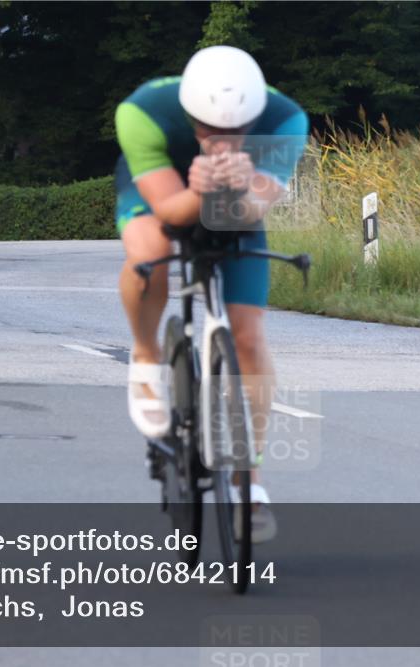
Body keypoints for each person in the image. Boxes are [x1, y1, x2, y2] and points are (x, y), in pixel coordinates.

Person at [114, 46, 309, 542]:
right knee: (149, 257)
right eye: (207, 130)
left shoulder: (285, 119)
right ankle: (145, 351)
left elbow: (253, 212)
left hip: (237, 206)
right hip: (162, 195)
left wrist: (240, 191)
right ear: (188, 114)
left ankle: (251, 481)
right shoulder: (144, 111)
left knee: (248, 336)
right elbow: (171, 211)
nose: (221, 142)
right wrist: (200, 190)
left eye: (234, 132)